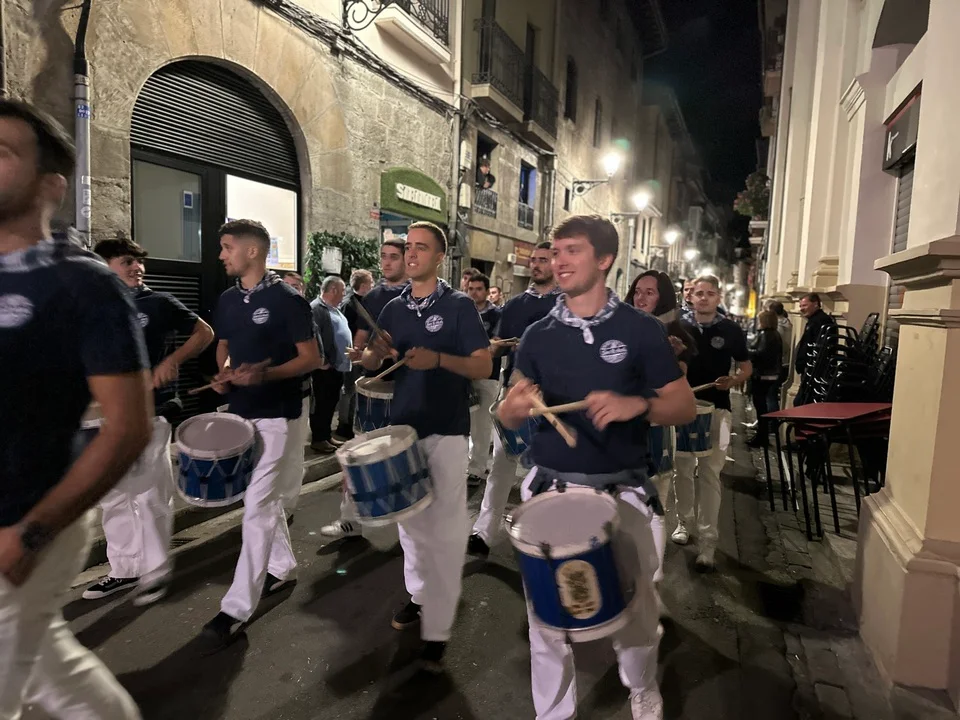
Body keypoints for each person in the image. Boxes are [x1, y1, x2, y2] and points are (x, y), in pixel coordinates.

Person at [497, 215, 696, 720]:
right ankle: (553, 713)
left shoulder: (640, 330)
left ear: (604, 260)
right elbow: (510, 408)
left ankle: (642, 686)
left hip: (621, 492)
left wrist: (638, 405)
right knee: (547, 620)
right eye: (555, 251)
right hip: (550, 492)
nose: (559, 260)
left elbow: (683, 406)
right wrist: (513, 408)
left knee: (636, 614)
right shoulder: (538, 335)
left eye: (572, 251)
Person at [0, 99, 145, 719]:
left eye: (2, 152)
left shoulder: (82, 282)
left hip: (23, 517)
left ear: (50, 185)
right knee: (51, 667)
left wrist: (31, 533)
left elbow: (129, 427)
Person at [362, 221, 491, 671]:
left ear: (439, 257)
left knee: (444, 523)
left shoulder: (458, 306)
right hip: (404, 429)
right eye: (408, 247)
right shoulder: (394, 308)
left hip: (447, 430)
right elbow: (376, 359)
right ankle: (420, 596)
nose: (411, 254)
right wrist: (371, 355)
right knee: (410, 522)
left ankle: (439, 617)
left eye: (421, 248)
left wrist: (437, 359)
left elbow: (482, 365)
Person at [201, 219, 322, 648]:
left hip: (277, 416)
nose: (221, 255)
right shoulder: (228, 299)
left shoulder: (288, 300)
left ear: (252, 251)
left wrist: (265, 374)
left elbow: (311, 358)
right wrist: (224, 373)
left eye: (227, 247)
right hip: (240, 413)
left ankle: (236, 608)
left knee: (256, 504)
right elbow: (224, 343)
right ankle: (283, 566)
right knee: (261, 500)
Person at [82, 238, 214, 605]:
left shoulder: (158, 302)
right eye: (127, 262)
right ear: (104, 266)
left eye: (139, 262)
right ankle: (125, 568)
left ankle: (155, 569)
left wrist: (172, 361)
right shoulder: (92, 308)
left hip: (151, 410)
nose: (137, 268)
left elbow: (204, 332)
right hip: (107, 415)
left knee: (150, 490)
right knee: (113, 496)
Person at [467, 241, 558, 559]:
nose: (536, 265)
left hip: (552, 398)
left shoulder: (566, 303)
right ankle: (484, 531)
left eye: (543, 259)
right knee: (502, 463)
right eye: (533, 260)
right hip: (514, 393)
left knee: (546, 470)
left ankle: (541, 535)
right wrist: (494, 346)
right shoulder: (516, 305)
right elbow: (497, 345)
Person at [319, 238, 407, 540]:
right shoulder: (374, 296)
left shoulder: (420, 295)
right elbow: (361, 340)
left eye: (393, 256)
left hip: (411, 388)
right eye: (384, 256)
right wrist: (362, 352)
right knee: (358, 456)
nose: (387, 262)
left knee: (403, 458)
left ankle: (405, 525)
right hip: (375, 386)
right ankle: (350, 519)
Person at [671, 275, 752, 571]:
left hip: (718, 411)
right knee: (681, 470)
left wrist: (733, 380)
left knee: (710, 474)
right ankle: (683, 522)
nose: (703, 297)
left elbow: (746, 367)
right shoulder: (679, 327)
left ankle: (708, 542)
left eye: (710, 293)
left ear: (718, 298)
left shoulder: (730, 330)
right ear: (690, 296)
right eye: (699, 293)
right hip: (683, 409)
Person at [627, 270, 697, 600]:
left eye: (650, 292)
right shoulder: (620, 326)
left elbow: (676, 390)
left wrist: (673, 356)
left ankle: (652, 582)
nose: (641, 298)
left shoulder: (675, 336)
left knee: (654, 506)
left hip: (654, 429)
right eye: (637, 291)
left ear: (663, 298)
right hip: (620, 432)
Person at [465, 272, 502, 485]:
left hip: (488, 376)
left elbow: (496, 345)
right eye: (471, 289)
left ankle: (477, 468)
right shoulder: (462, 311)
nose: (474, 293)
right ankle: (466, 463)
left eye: (479, 289)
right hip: (463, 375)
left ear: (487, 292)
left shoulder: (497, 314)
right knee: (465, 424)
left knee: (481, 425)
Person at [309, 276, 352, 454]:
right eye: (342, 291)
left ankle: (326, 435)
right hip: (325, 367)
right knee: (322, 403)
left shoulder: (333, 308)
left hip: (335, 367)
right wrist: (322, 361)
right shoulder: (316, 309)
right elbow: (313, 336)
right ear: (333, 290)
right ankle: (319, 439)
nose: (344, 294)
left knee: (330, 402)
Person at [334, 269, 375, 441]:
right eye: (371, 283)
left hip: (358, 352)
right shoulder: (350, 305)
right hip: (352, 353)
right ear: (364, 285)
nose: (373, 286)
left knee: (353, 389)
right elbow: (345, 331)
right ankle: (344, 425)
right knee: (349, 389)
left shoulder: (359, 302)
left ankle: (350, 422)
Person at [747, 310, 783, 448]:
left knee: (761, 406)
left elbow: (761, 353)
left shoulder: (767, 335)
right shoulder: (773, 334)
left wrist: (747, 351)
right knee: (762, 405)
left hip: (763, 375)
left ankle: (761, 437)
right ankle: (762, 435)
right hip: (769, 373)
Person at [794, 292, 834, 377]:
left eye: (804, 305)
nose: (801, 309)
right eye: (800, 306)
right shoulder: (813, 320)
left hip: (815, 370)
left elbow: (818, 346)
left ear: (815, 304)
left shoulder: (821, 321)